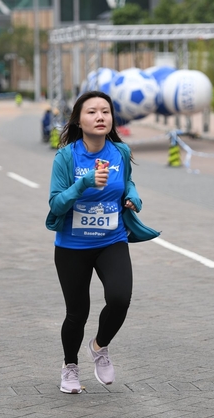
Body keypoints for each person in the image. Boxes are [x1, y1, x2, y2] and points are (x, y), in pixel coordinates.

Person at [45, 91, 159, 394]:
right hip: (72, 246)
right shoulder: (66, 157)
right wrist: (84, 183)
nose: (100, 117)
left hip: (112, 240)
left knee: (120, 299)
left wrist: (133, 196)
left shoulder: (120, 151)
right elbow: (56, 204)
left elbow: (128, 182)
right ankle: (70, 366)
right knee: (77, 313)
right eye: (92, 112)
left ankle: (99, 346)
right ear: (78, 121)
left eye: (105, 112)